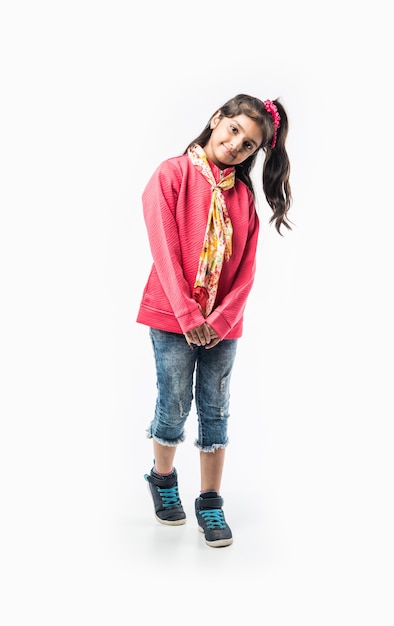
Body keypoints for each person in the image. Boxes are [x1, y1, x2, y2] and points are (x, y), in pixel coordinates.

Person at [137, 94, 292, 547]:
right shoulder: (172, 174)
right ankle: (163, 479)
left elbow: (246, 271)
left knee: (216, 410)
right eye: (233, 130)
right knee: (173, 405)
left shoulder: (243, 198)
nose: (236, 145)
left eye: (248, 145)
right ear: (216, 119)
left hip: (222, 327)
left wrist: (221, 321)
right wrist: (188, 315)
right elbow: (164, 252)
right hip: (172, 318)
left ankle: (210, 500)